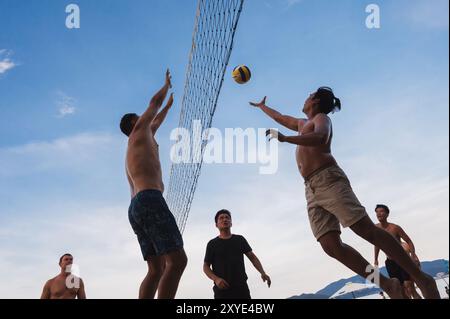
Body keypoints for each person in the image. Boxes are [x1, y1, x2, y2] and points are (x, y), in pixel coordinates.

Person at [249, 87, 440, 299]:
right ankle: (387, 284)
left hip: (329, 179)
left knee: (366, 230)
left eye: (308, 94)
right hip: (310, 188)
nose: (304, 97)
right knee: (331, 247)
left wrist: (286, 140)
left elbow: (320, 138)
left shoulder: (321, 119)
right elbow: (280, 117)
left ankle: (422, 278)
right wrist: (262, 106)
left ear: (315, 101)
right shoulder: (301, 124)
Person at [121, 70, 187, 299]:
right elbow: (153, 104)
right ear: (134, 122)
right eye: (140, 117)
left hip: (136, 207)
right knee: (178, 261)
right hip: (149, 199)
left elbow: (157, 118)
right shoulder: (139, 130)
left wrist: (168, 107)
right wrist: (166, 86)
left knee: (156, 269)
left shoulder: (140, 140)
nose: (146, 117)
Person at [203, 209, 271, 299]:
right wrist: (216, 279)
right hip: (222, 291)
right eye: (221, 218)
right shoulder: (212, 244)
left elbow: (252, 257)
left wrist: (262, 272)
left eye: (227, 218)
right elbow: (206, 266)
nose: (225, 219)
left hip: (241, 289)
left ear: (231, 223)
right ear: (216, 225)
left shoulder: (239, 239)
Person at [374, 204, 422, 299]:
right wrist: (375, 259)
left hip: (402, 259)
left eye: (381, 211)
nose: (379, 214)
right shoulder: (376, 228)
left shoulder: (395, 228)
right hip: (390, 262)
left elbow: (409, 241)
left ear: (387, 214)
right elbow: (376, 244)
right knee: (401, 289)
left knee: (410, 287)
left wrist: (413, 256)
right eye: (377, 212)